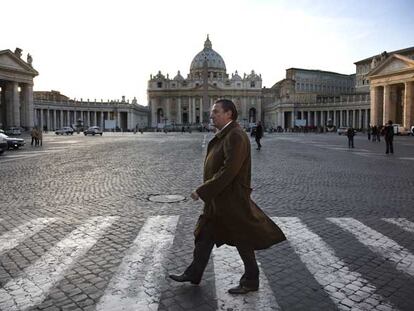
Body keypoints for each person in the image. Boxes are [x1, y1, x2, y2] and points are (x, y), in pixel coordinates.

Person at [169, 99, 286, 294]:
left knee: (242, 238)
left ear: (229, 114)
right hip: (218, 199)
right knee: (204, 235)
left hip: (230, 199)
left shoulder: (236, 136)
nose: (211, 115)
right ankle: (194, 272)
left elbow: (228, 171)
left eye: (216, 112)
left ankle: (251, 279)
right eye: (212, 112)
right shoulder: (226, 134)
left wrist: (202, 190)